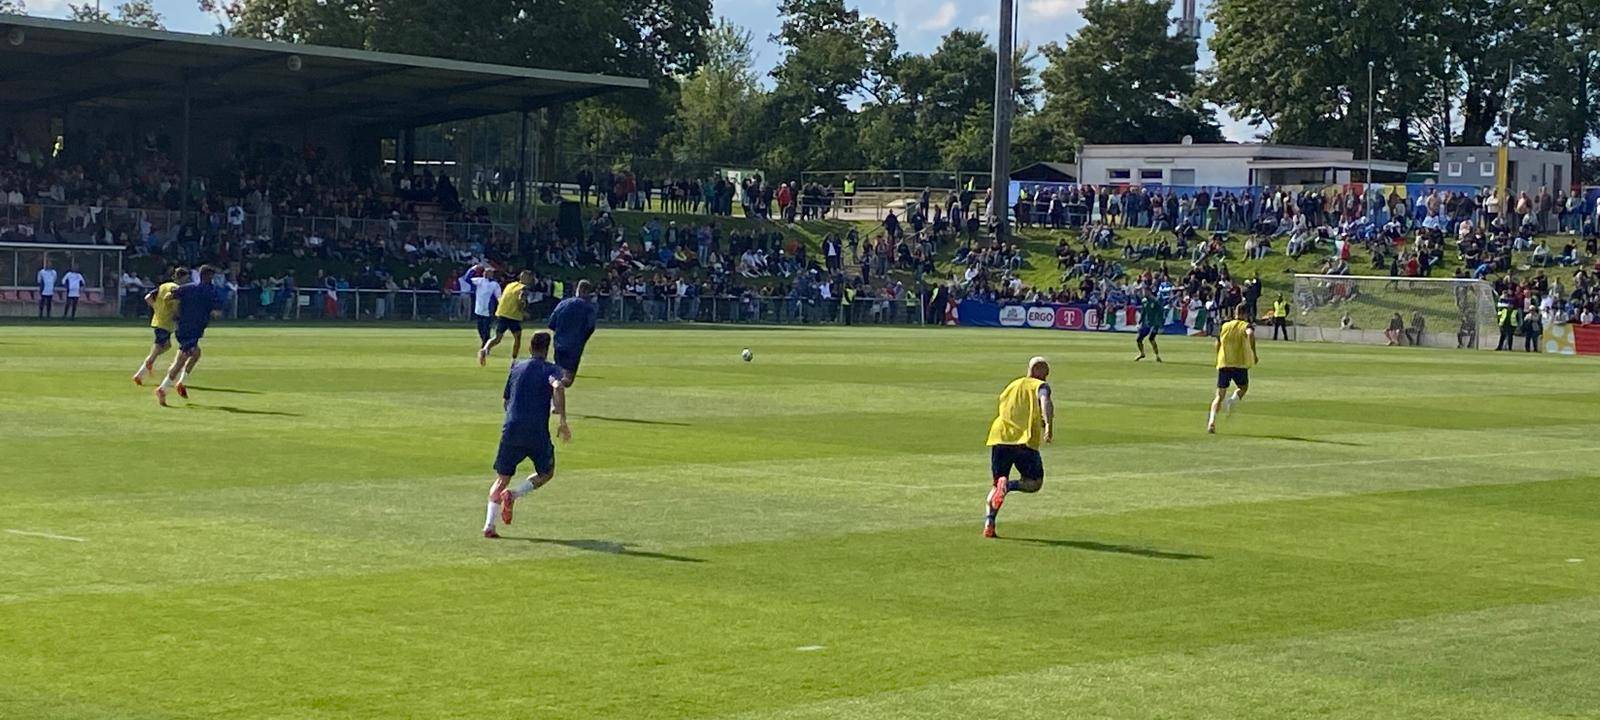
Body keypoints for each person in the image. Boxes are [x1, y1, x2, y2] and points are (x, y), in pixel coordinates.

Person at [482, 331, 571, 539]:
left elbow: (505, 400)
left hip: (511, 428)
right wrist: (563, 421)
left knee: (502, 478)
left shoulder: (516, 367)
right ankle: (514, 494)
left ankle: (488, 525)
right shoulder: (551, 370)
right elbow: (558, 386)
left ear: (529, 348)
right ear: (547, 350)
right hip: (536, 431)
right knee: (546, 472)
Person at [982, 356, 1054, 539]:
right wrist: (1049, 425)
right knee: (1034, 483)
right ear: (1037, 370)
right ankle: (1009, 486)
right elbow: (1044, 401)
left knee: (996, 484)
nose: (1046, 377)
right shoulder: (1040, 386)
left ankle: (989, 522)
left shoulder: (1012, 386)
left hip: (1000, 437)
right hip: (1023, 441)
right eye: (1045, 373)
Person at [156, 266, 222, 406]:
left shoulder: (188, 288)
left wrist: (176, 310)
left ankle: (180, 382)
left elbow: (169, 297)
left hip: (186, 327)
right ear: (208, 276)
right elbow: (217, 311)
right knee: (182, 359)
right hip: (192, 329)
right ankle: (163, 388)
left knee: (196, 353)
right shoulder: (210, 291)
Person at [1207, 306, 1257, 434]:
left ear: (1235, 313)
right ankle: (1233, 400)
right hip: (1239, 363)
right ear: (1245, 314)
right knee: (1243, 387)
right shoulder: (1245, 325)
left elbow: (1217, 342)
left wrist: (1218, 356)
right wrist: (1253, 352)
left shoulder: (1225, 325)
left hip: (1224, 362)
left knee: (1219, 396)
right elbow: (1250, 334)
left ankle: (1211, 421)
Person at [133, 267, 186, 386]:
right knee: (156, 352)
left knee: (166, 346)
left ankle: (147, 365)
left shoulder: (164, 285)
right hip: (165, 322)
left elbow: (147, 297)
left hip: (159, 320)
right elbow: (173, 302)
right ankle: (140, 373)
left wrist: (156, 308)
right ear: (182, 278)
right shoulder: (176, 289)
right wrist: (176, 314)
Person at [547, 279, 598, 386]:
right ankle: (551, 386)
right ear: (587, 292)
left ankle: (551, 392)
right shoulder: (589, 308)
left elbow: (551, 323)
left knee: (558, 372)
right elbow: (590, 327)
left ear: (577, 289)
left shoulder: (563, 303)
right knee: (568, 379)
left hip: (559, 344)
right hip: (575, 347)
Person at [478, 270, 531, 365]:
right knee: (517, 338)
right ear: (526, 278)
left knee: (497, 338)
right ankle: (514, 360)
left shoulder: (511, 285)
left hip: (502, 313)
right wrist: (523, 312)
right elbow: (521, 299)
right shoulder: (524, 288)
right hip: (513, 315)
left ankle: (484, 349)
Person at [465, 264, 502, 348]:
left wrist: (500, 308)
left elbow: (499, 297)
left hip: (488, 311)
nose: (486, 274)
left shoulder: (494, 284)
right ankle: (485, 344)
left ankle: (485, 346)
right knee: (480, 329)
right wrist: (473, 269)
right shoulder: (479, 281)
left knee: (486, 330)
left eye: (489, 272)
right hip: (479, 309)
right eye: (485, 272)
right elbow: (467, 279)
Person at [1134, 290, 1166, 362]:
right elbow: (1143, 312)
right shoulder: (1144, 301)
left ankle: (1157, 356)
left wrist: (1160, 324)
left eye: (1145, 291)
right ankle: (1142, 354)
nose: (1144, 293)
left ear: (1149, 292)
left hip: (1155, 323)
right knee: (1138, 339)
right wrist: (1139, 322)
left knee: (1151, 339)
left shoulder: (1155, 301)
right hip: (1147, 324)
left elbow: (1160, 312)